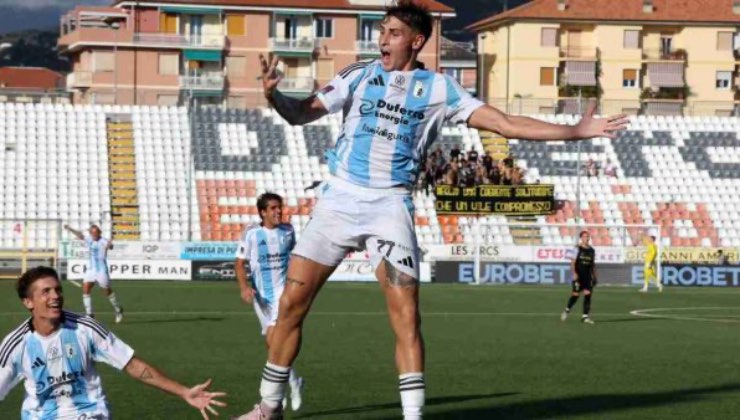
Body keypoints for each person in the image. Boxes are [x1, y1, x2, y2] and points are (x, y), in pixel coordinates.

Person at [235, 1, 628, 418]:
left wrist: (573, 132)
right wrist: (275, 95)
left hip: (389, 206)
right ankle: (269, 408)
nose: (383, 39)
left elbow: (506, 124)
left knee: (406, 318)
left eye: (393, 33)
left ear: (416, 41)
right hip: (338, 199)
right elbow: (299, 115)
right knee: (291, 307)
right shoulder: (358, 75)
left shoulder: (440, 89)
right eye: (382, 30)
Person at [0, 266, 226, 419]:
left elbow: (132, 365)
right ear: (28, 302)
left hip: (89, 414)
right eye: (46, 292)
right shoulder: (15, 346)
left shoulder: (85, 328)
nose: (55, 296)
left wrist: (184, 391)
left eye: (58, 289)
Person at [234, 193, 304, 412]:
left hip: (283, 295)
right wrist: (244, 287)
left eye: (279, 207)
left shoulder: (288, 231)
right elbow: (239, 263)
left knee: (276, 341)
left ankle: (277, 391)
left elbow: (296, 257)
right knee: (273, 346)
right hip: (261, 298)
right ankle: (292, 381)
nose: (278, 211)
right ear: (263, 212)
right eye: (273, 208)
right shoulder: (252, 233)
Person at [65, 224, 124, 323]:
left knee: (106, 291)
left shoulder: (103, 241)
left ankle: (117, 309)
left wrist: (110, 245)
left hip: (101, 270)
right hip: (91, 269)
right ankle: (90, 314)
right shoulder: (89, 239)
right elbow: (80, 235)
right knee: (86, 289)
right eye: (92, 233)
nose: (94, 235)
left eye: (95, 233)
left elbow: (111, 246)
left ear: (99, 233)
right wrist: (70, 228)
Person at [561, 231, 598, 324]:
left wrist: (595, 276)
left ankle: (585, 317)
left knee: (588, 295)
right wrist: (574, 273)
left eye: (588, 236)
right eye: (585, 236)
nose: (587, 238)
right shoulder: (577, 248)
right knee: (575, 295)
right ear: (581, 238)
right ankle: (567, 310)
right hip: (579, 275)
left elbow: (592, 264)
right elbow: (572, 262)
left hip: (588, 276)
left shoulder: (592, 250)